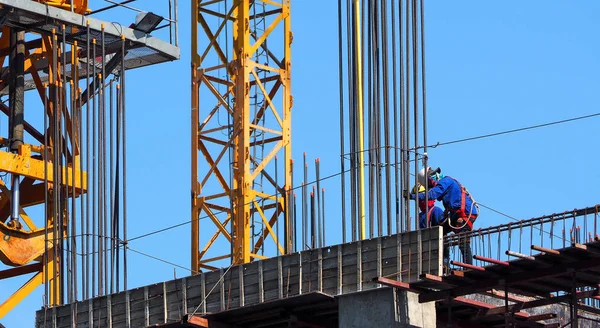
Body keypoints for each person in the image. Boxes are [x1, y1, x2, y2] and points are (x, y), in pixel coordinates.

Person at [411, 166, 479, 265]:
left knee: (463, 242)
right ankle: (444, 263)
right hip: (457, 214)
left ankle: (468, 267)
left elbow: (432, 195)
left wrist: (413, 196)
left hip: (465, 214)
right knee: (440, 231)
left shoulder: (445, 182)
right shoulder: (446, 182)